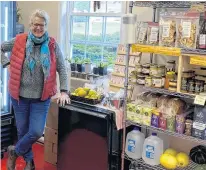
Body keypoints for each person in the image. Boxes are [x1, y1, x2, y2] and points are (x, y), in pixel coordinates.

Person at [1, 9, 70, 170]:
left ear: (46, 26)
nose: (38, 28)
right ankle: (30, 162)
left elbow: (62, 68)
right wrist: (6, 63)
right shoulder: (19, 41)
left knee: (37, 131)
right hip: (19, 97)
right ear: (30, 25)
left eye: (42, 25)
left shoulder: (52, 45)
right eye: (35, 24)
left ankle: (14, 151)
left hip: (42, 98)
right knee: (23, 131)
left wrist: (65, 90)